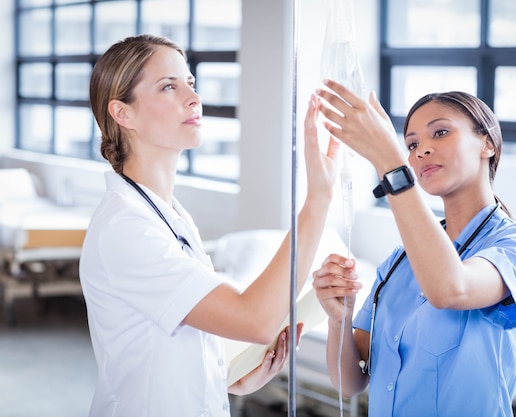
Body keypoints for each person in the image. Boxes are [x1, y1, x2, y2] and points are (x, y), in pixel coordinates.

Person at [79, 34, 339, 417]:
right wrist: (318, 199)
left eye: (191, 83)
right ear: (123, 113)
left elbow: (169, 341)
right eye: (169, 86)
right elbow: (255, 320)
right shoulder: (126, 229)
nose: (193, 99)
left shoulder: (170, 215)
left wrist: (228, 377)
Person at [311, 83, 516, 416]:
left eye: (441, 133)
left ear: (487, 144)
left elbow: (450, 289)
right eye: (412, 144)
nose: (421, 151)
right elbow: (350, 383)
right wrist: (340, 319)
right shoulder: (399, 262)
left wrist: (389, 163)